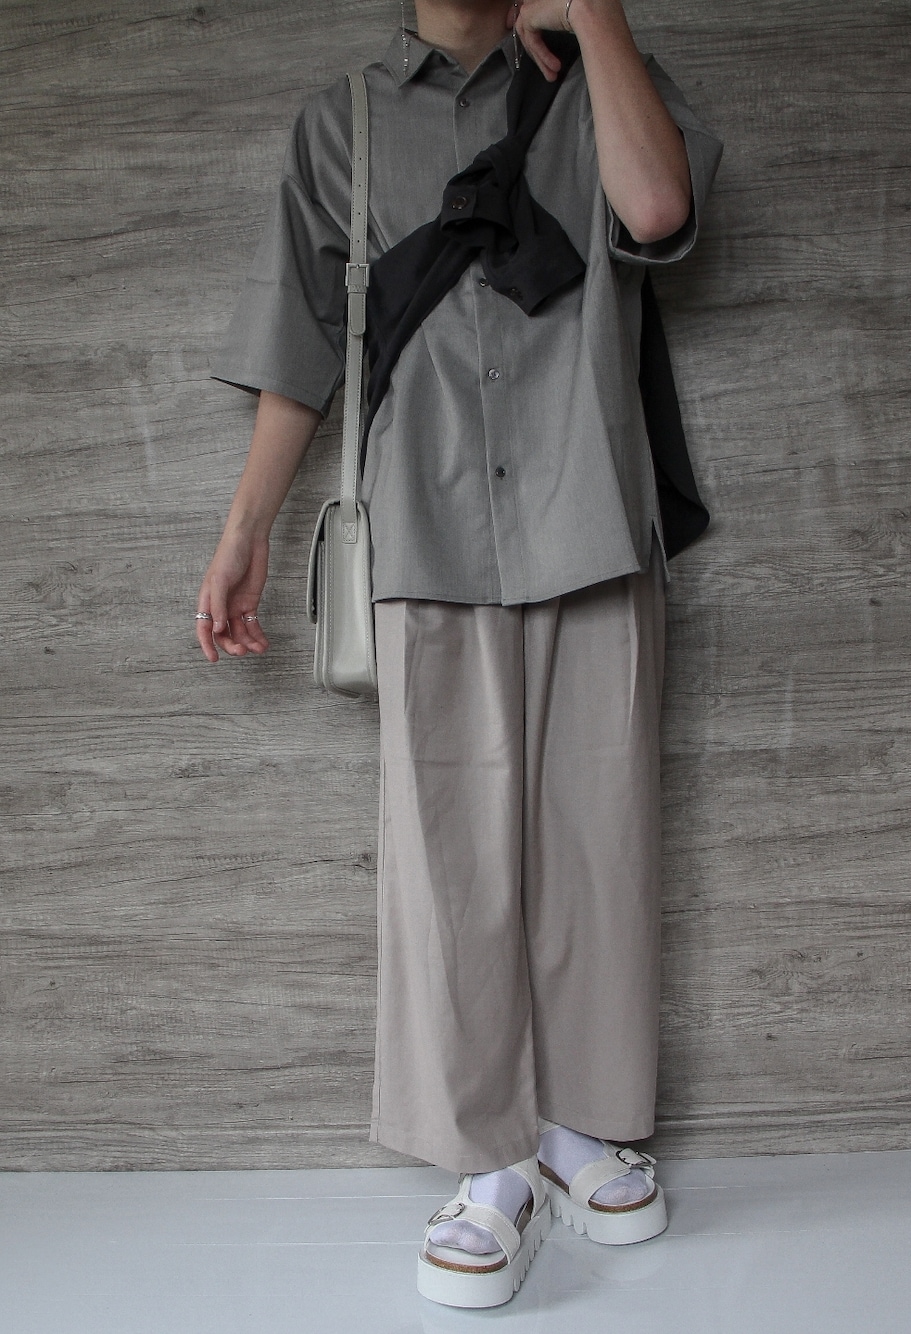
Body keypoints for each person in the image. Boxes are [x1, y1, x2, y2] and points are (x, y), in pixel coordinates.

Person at [197, 0, 723, 1310]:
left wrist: (592, 12)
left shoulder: (605, 79)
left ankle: (581, 1125)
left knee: (598, 830)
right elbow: (301, 340)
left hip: (590, 501)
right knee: (446, 853)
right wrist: (245, 529)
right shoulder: (346, 122)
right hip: (424, 520)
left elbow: (659, 210)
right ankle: (490, 1159)